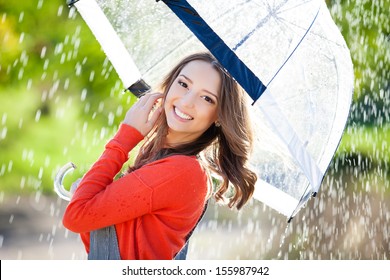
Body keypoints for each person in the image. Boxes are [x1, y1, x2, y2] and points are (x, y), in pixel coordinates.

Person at [62, 52, 257, 260]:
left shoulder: (183, 171)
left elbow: (77, 217)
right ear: (170, 84)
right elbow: (101, 242)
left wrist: (125, 137)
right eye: (183, 84)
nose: (187, 101)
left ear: (219, 116)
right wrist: (88, 193)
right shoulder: (159, 157)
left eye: (207, 98)